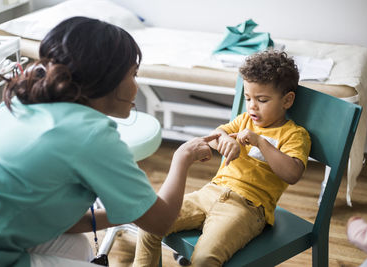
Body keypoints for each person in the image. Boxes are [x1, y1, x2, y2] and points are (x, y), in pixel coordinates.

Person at [0, 17, 219, 267]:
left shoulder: (23, 103)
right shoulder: (90, 133)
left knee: (75, 246)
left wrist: (130, 208)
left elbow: (68, 223)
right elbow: (160, 222)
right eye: (133, 74)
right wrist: (183, 157)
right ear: (106, 77)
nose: (135, 86)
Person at [133, 51, 312, 266]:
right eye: (248, 98)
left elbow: (292, 174)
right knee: (149, 226)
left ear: (287, 100)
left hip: (248, 208)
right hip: (210, 192)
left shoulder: (294, 134)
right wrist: (226, 140)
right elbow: (214, 137)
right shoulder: (244, 119)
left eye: (262, 100)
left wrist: (261, 142)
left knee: (204, 259)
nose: (252, 106)